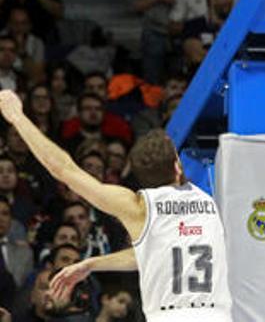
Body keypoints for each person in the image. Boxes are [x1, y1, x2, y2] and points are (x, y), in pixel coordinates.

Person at [0, 91, 232, 321]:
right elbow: (154, 252)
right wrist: (92, 264)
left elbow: (63, 169)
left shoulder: (139, 208)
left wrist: (17, 117)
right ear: (178, 167)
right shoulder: (211, 200)